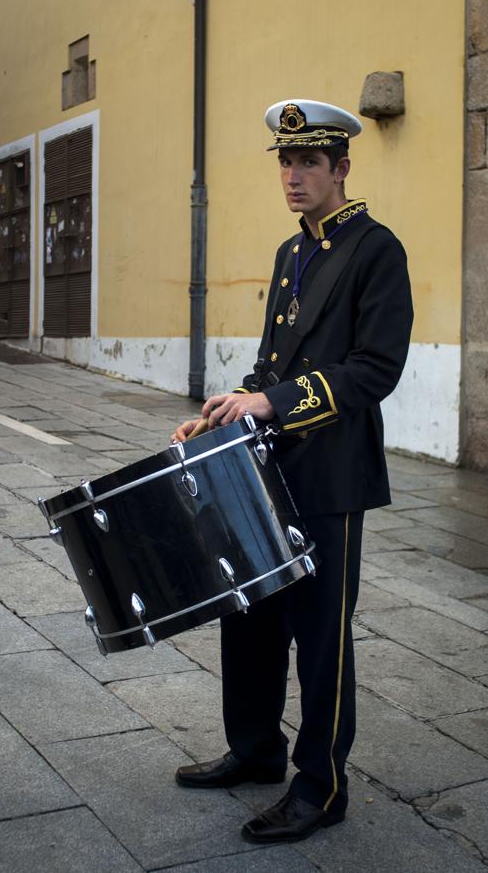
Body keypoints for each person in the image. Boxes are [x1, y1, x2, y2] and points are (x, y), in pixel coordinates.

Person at [171, 98, 413, 843]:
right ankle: (255, 750)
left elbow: (374, 369)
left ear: (342, 168)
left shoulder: (376, 249)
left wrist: (269, 402)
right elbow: (274, 364)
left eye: (309, 161)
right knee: (249, 612)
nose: (294, 175)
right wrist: (224, 412)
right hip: (270, 470)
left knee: (319, 634)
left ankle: (321, 786)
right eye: (285, 161)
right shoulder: (291, 253)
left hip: (333, 476)